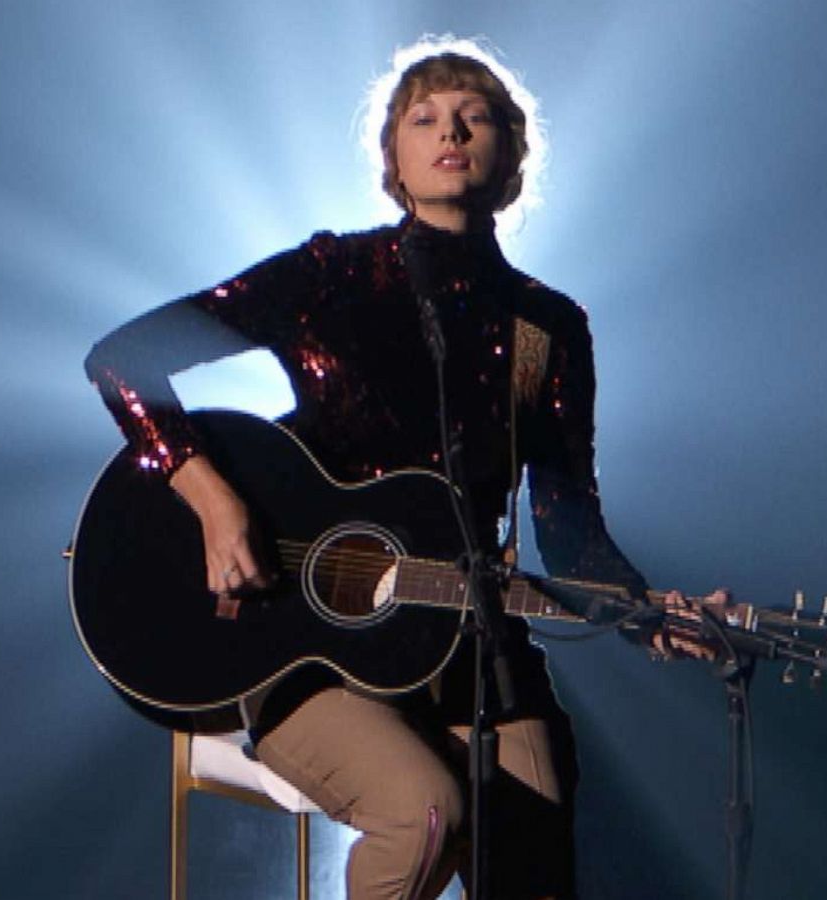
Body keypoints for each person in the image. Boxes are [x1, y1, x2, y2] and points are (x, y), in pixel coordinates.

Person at [84, 45, 718, 900]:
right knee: (426, 809)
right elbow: (124, 360)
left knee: (540, 828)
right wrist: (211, 497)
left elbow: (570, 530)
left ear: (510, 154)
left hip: (465, 644)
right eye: (423, 116)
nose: (450, 128)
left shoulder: (548, 327)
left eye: (475, 114)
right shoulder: (330, 276)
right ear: (394, 158)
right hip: (302, 656)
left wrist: (648, 615)